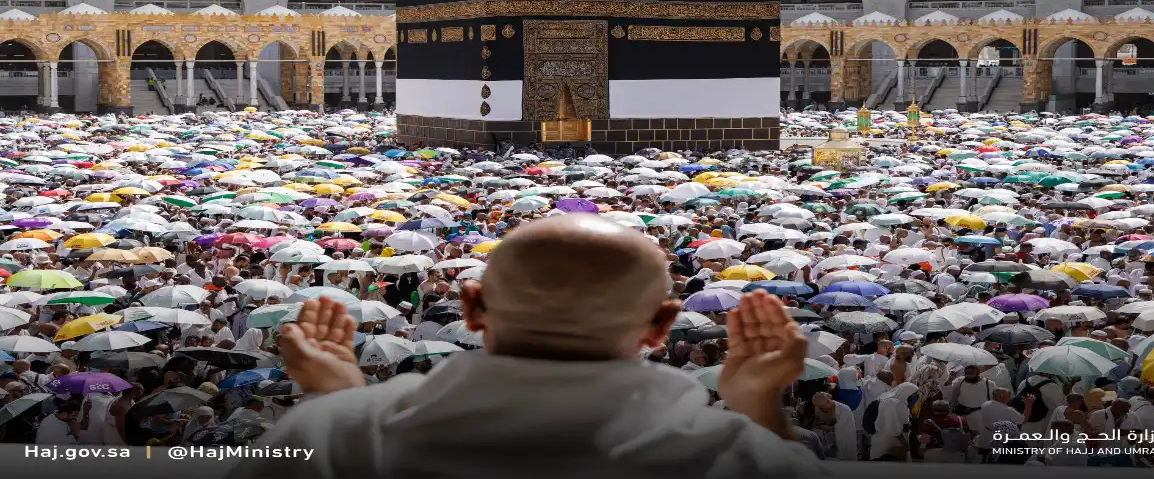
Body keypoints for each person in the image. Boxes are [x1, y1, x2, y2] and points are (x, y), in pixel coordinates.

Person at [232, 214, 830, 478]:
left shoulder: (334, 436)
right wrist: (759, 407)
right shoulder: (735, 456)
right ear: (662, 326)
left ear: (470, 308)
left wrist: (337, 404)